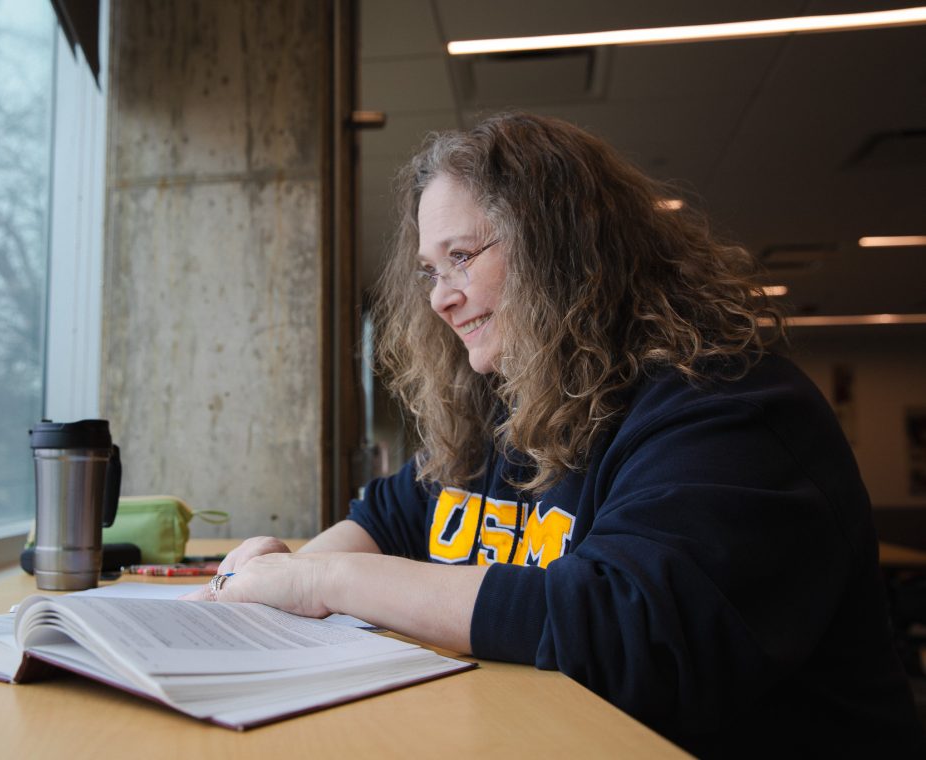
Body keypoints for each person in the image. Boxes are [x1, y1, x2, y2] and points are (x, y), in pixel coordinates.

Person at [189, 113, 926, 756]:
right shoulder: (508, 415)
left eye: (462, 257)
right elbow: (387, 518)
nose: (441, 298)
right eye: (428, 270)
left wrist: (322, 579)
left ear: (562, 249)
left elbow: (627, 632)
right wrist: (271, 588)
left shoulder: (731, 409)